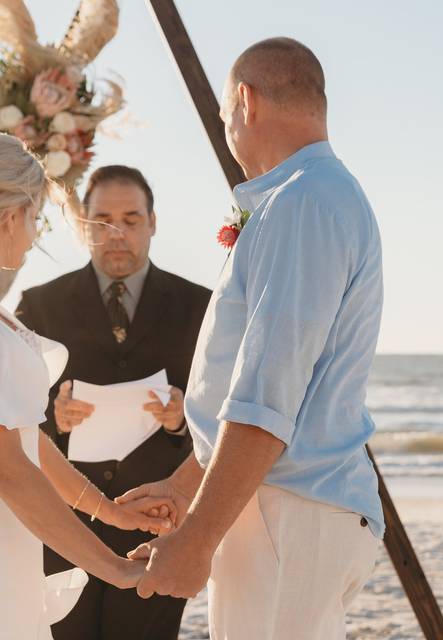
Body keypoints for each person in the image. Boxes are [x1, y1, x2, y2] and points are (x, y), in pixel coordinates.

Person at [117, 38, 385, 639]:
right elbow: (262, 388)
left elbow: (269, 395)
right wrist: (187, 484)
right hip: (280, 512)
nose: (228, 130)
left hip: (287, 514)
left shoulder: (304, 204)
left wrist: (197, 539)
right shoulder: (306, 198)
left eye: (224, 118)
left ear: (245, 101)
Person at [0, 133, 174, 640]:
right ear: (11, 215)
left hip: (5, 561)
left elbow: (27, 443)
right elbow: (6, 472)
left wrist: (109, 511)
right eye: (37, 215)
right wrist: (115, 567)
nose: (36, 230)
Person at [15, 165, 212, 640]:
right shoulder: (39, 305)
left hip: (157, 527)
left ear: (153, 222)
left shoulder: (200, 306)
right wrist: (55, 419)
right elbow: (11, 419)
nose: (117, 233)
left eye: (131, 218)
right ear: (82, 223)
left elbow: (223, 419)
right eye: (102, 219)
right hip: (63, 529)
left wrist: (180, 422)